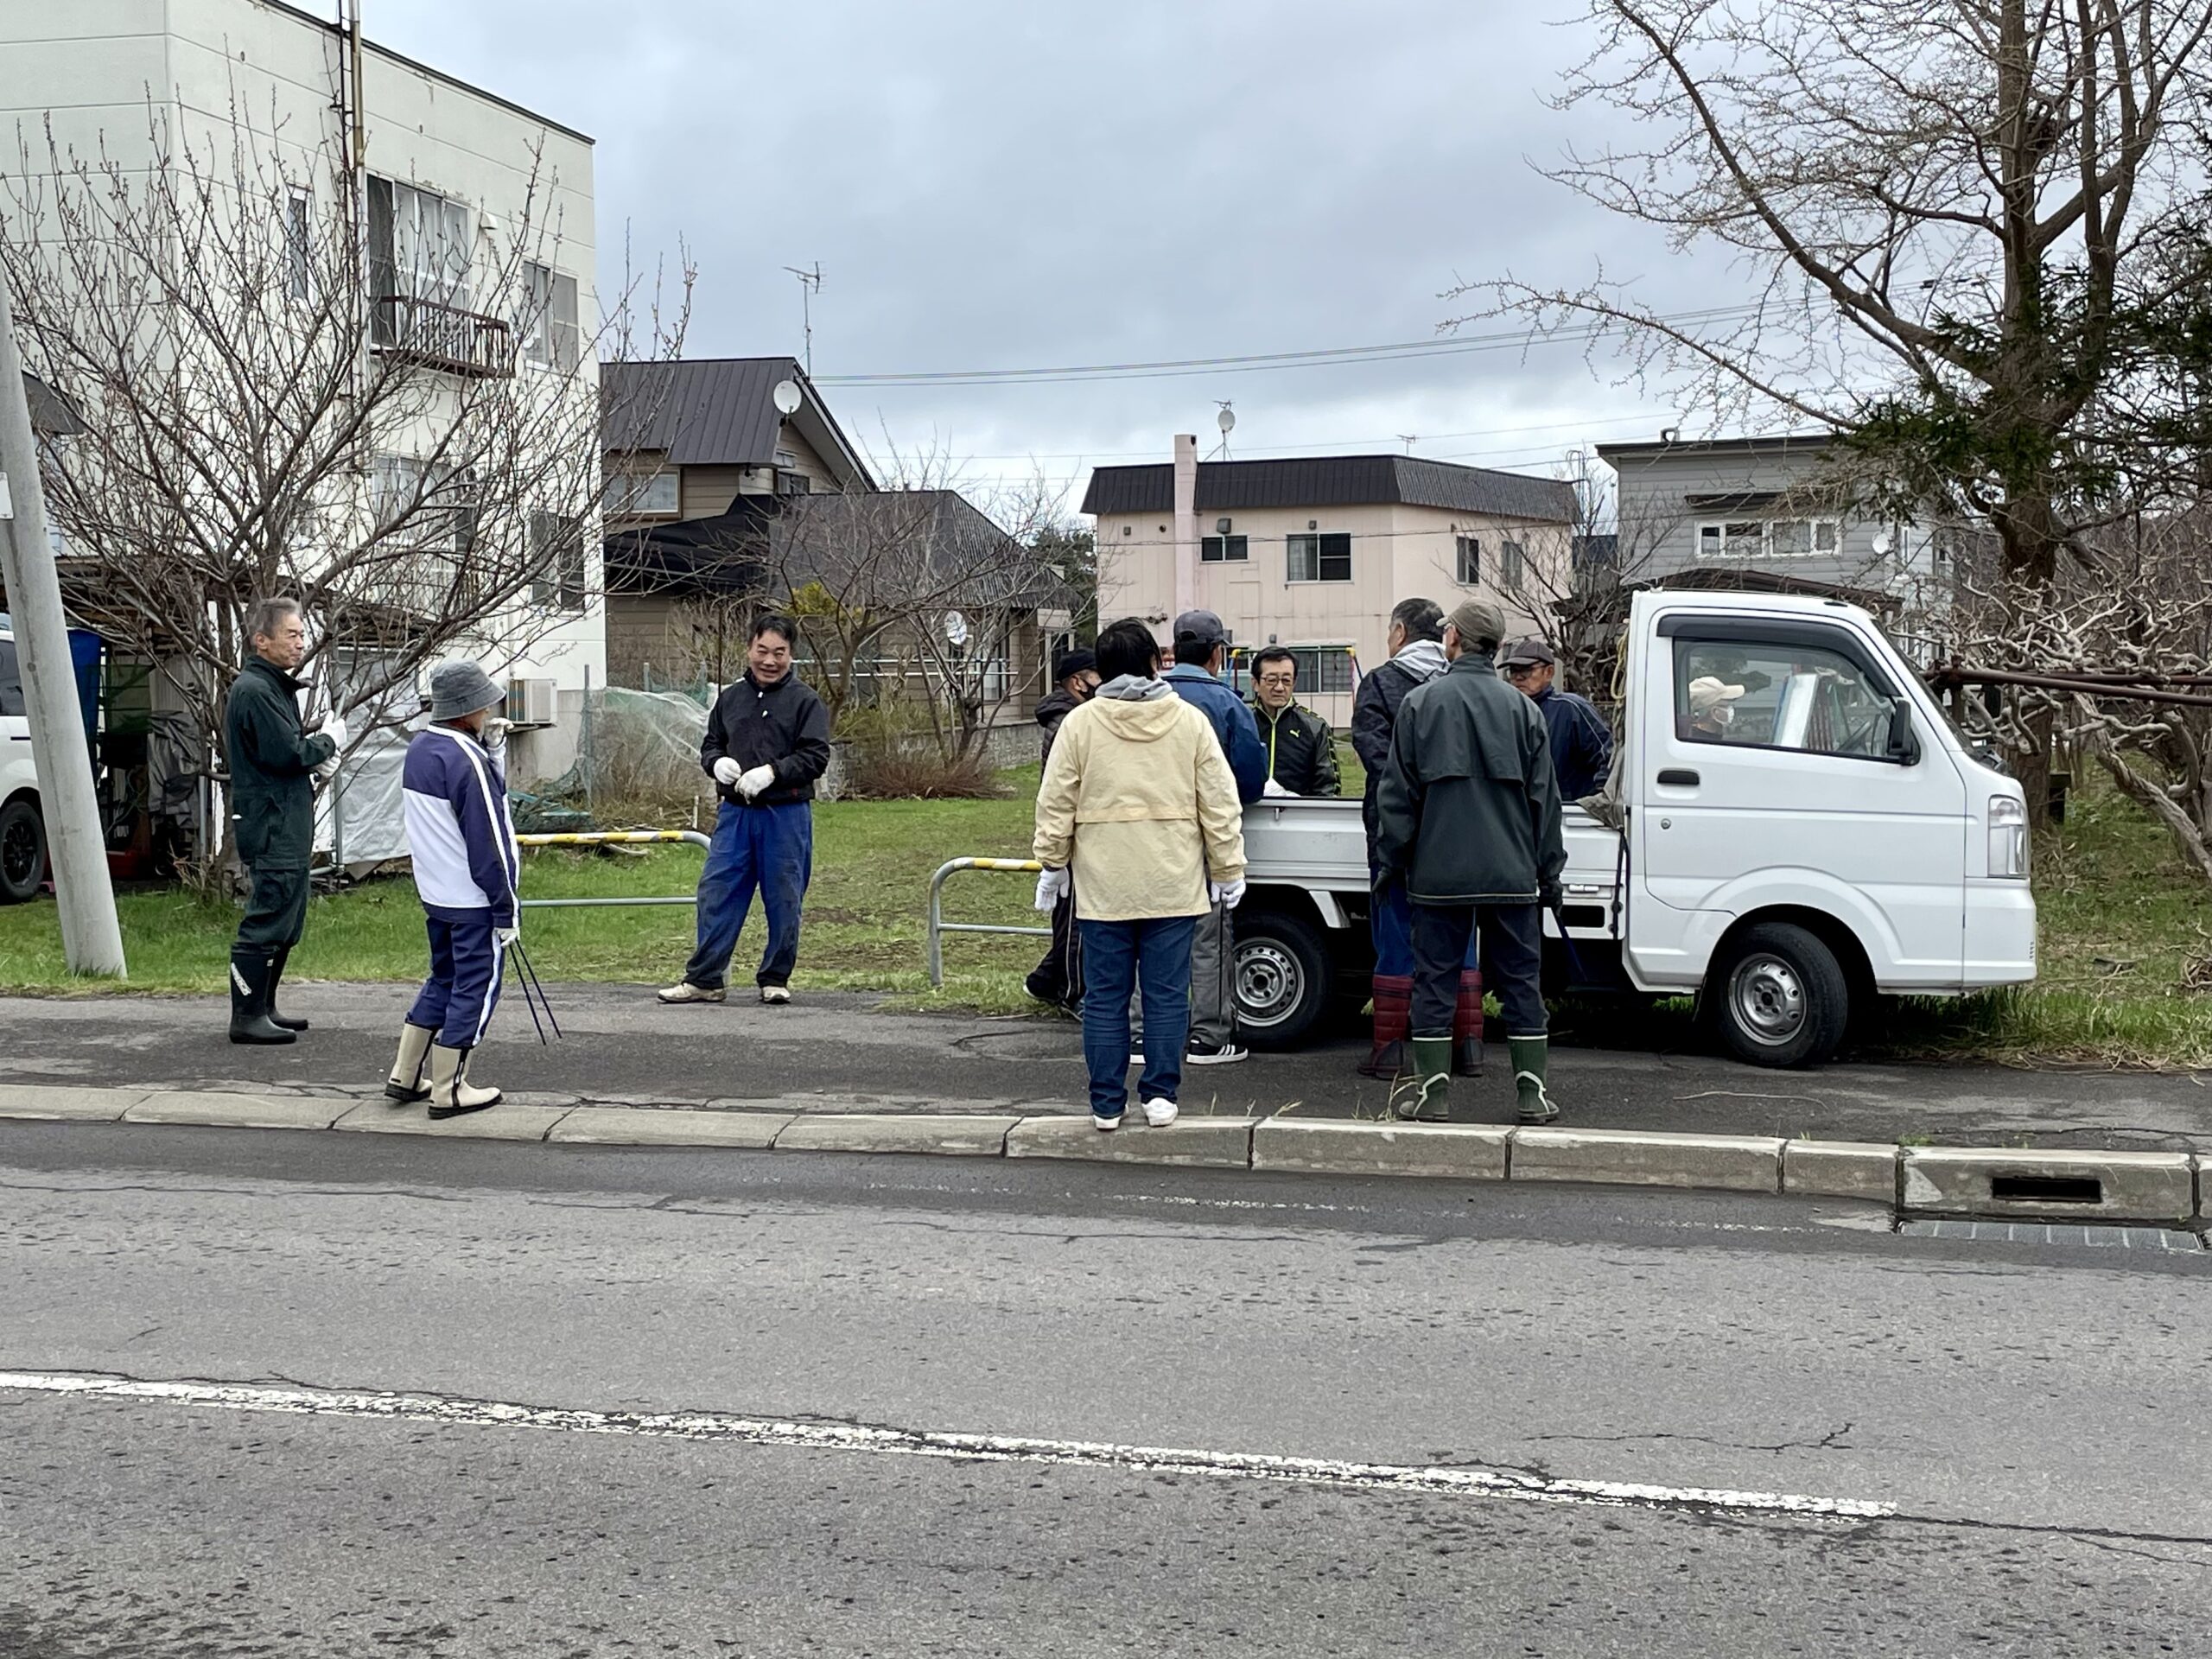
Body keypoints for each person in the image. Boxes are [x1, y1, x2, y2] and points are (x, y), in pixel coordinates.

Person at [1033, 617, 1246, 1132]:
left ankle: (1107, 1102)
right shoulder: (1189, 721)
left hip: (1104, 884)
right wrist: (1227, 866)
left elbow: (1056, 801)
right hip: (1172, 881)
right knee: (1167, 994)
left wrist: (1052, 862)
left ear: (1101, 670)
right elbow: (1219, 802)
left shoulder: (1080, 724)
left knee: (1106, 996)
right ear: (1155, 663)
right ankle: (1160, 1095)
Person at [1375, 598, 1566, 1126]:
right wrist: (1549, 871)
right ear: (1497, 647)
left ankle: (1432, 1097)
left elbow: (1397, 797)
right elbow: (1545, 803)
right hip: (1512, 875)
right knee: (1522, 982)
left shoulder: (1420, 704)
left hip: (1439, 875)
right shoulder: (1524, 711)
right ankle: (1531, 1096)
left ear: (1454, 638)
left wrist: (1393, 860)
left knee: (1434, 982)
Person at [658, 615, 833, 1007]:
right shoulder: (731, 698)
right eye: (762, 651)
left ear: (791, 654)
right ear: (749, 649)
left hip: (785, 815)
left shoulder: (805, 701)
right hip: (735, 814)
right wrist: (715, 762)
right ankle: (705, 979)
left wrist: (773, 772)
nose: (770, 661)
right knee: (717, 892)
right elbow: (711, 744)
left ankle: (775, 978)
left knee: (784, 897)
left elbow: (816, 756)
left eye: (779, 653)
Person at [1350, 597, 1484, 1081]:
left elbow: (1375, 757)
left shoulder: (1380, 683)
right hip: (1459, 833)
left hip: (1395, 833)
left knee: (1395, 936)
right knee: (1460, 937)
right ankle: (1469, 1047)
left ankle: (1389, 1052)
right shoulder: (1463, 685)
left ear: (1400, 632)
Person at [385, 660, 520, 1119]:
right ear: (469, 709)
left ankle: (405, 1074)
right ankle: (450, 1089)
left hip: (436, 893)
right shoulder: (467, 759)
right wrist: (506, 907)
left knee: (443, 978)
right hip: (473, 899)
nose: (489, 711)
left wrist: (493, 754)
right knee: (475, 987)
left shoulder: (422, 747)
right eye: (485, 704)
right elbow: (490, 840)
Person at [222, 596, 341, 1046]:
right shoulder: (255, 690)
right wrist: (326, 744)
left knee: (287, 920)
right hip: (272, 822)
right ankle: (246, 1016)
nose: (300, 643)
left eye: (301, 634)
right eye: (291, 634)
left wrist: (316, 753)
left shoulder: (272, 687)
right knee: (268, 916)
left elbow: (285, 749)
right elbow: (286, 753)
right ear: (262, 640)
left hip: (284, 818)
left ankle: (265, 1007)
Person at [1156, 608, 1268, 1065]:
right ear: (1217, 654)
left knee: (1147, 936)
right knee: (1208, 938)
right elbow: (1249, 781)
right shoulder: (1227, 704)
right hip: (1202, 838)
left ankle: (1143, 1034)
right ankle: (1208, 1035)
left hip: (1144, 838)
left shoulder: (1145, 696)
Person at [1024, 648, 1099, 1010]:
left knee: (1072, 915)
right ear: (1077, 682)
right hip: (1070, 833)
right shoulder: (1069, 722)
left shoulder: (1069, 716)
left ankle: (1044, 981)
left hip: (1069, 830)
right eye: (1097, 675)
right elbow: (1061, 789)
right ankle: (1070, 991)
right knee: (1072, 918)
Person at [1500, 638, 1614, 802]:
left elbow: (1607, 754)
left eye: (1526, 671)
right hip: (1522, 810)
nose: (1518, 678)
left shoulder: (1571, 708)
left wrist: (1596, 800)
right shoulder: (1506, 713)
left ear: (1549, 672)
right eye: (1512, 671)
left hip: (1568, 810)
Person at [1247, 647, 1341, 798]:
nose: (1279, 688)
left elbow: (1328, 787)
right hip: (1249, 810)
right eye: (1271, 680)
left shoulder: (1315, 727)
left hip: (1299, 811)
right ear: (1255, 683)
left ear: (1294, 683)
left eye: (1286, 680)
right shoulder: (1241, 723)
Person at [1684, 674, 1746, 741]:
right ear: (1710, 710)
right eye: (1725, 703)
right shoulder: (1696, 739)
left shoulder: (1691, 735)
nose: (1730, 706)